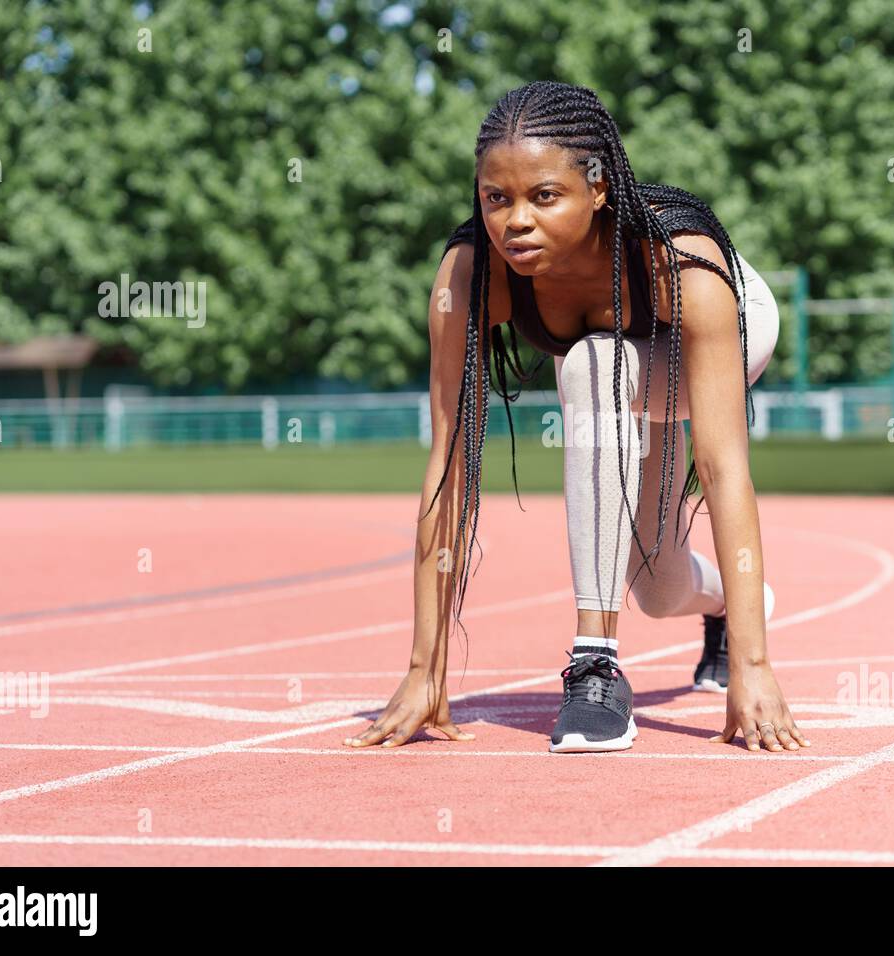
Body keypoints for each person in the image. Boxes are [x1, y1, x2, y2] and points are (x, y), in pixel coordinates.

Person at [343, 80, 811, 755]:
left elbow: (723, 467)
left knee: (589, 365)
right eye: (495, 199)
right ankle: (724, 609)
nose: (515, 222)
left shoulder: (684, 262)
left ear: (598, 190)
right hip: (621, 369)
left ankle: (595, 667)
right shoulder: (471, 276)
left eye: (544, 196)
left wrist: (756, 666)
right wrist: (425, 672)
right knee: (659, 585)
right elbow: (449, 467)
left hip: (726, 332)